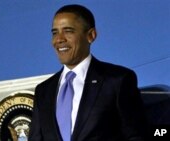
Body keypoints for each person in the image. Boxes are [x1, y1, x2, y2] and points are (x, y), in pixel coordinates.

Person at [29, 4, 147, 141]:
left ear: (91, 35)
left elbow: (137, 136)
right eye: (55, 32)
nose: (59, 39)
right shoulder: (44, 91)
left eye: (68, 31)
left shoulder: (117, 81)